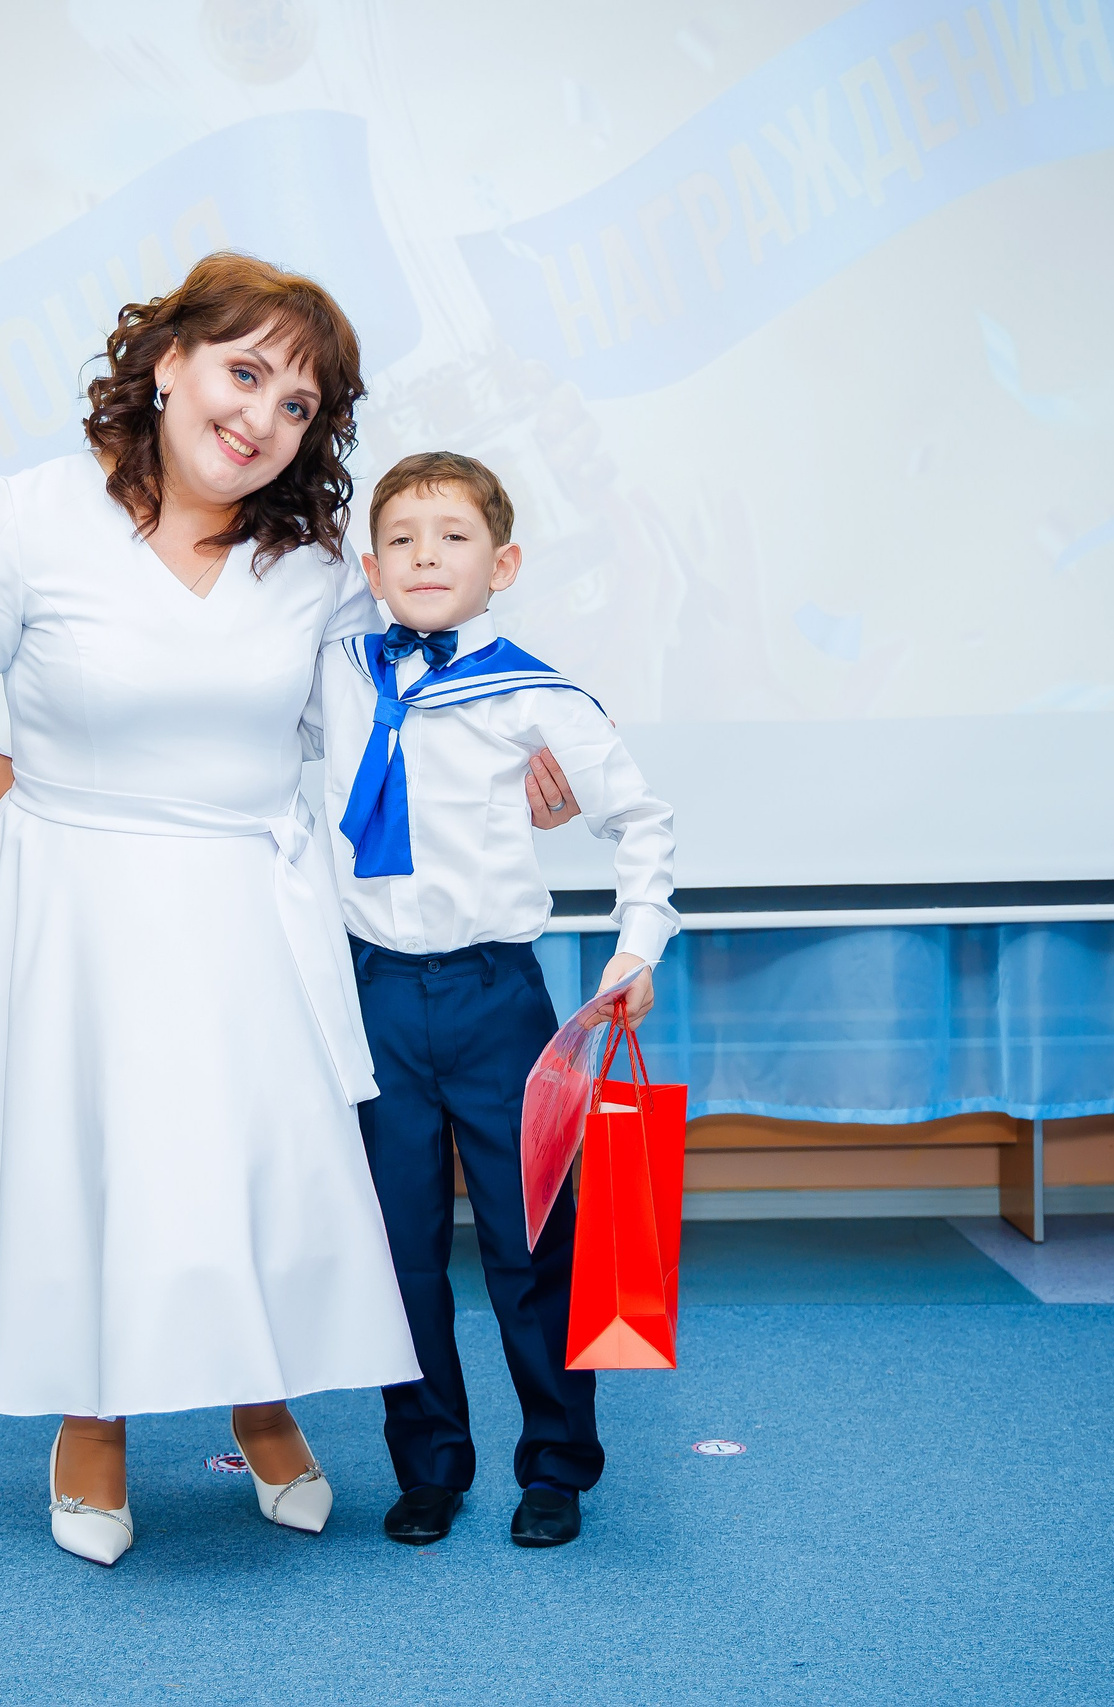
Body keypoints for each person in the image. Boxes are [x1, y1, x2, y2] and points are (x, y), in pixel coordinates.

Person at [0, 256, 577, 1567]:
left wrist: (513, 761)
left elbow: (387, 710)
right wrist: (54, 810)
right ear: (166, 363)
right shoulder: (28, 520)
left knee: (261, 1161)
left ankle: (264, 1398)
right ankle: (93, 1418)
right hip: (76, 904)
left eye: (300, 403)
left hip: (255, 898)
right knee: (102, 1161)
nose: (262, 417)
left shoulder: (312, 563)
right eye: (245, 372)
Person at [306, 451, 678, 1549]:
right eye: (403, 540)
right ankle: (427, 1465)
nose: (427, 556)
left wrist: (636, 947)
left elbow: (641, 822)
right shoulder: (330, 673)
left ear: (502, 562)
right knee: (400, 1253)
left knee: (534, 1248)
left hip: (496, 1000)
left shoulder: (531, 693)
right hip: (368, 991)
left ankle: (555, 1465)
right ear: (368, 566)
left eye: (454, 537)